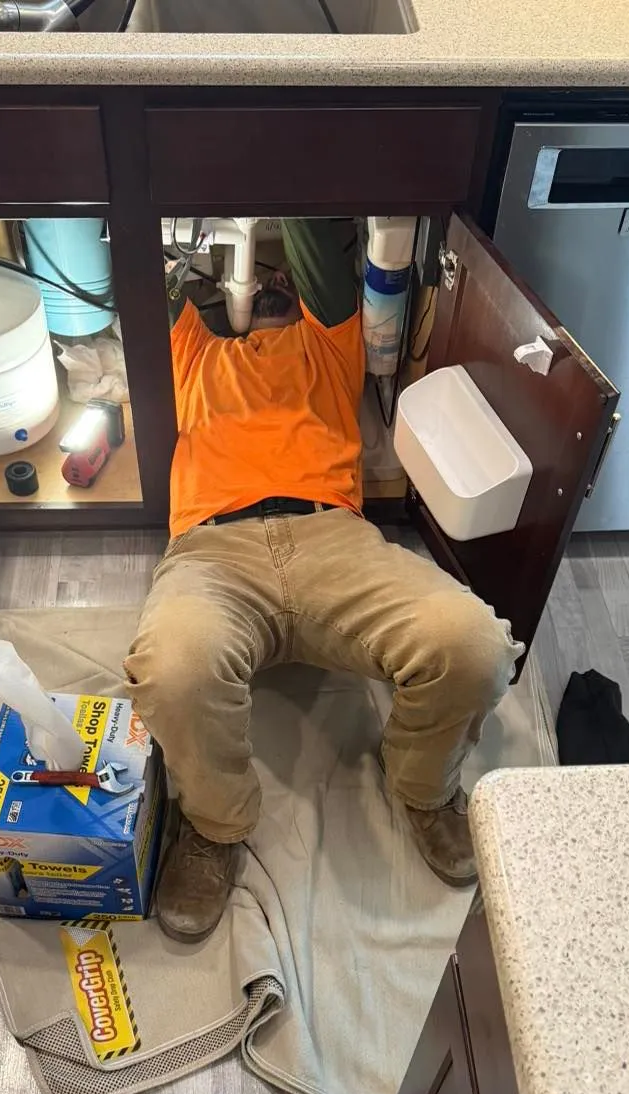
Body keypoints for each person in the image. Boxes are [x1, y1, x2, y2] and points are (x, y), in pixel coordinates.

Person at [125, 218, 523, 942]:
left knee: (472, 644)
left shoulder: (326, 343)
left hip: (335, 540)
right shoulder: (190, 352)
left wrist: (278, 132)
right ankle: (215, 826)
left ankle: (423, 787)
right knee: (174, 667)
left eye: (285, 283)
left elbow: (316, 249)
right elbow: (140, 270)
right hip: (214, 552)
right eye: (263, 282)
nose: (276, 286)